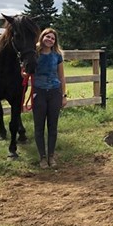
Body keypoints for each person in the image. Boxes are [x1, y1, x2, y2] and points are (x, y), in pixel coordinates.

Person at [33, 28, 67, 169]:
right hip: (39, 92)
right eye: (47, 36)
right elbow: (27, 71)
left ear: (55, 41)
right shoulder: (34, 54)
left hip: (54, 92)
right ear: (42, 37)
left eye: (52, 38)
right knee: (39, 127)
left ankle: (51, 156)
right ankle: (42, 157)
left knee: (53, 127)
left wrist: (63, 95)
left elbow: (61, 76)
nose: (50, 39)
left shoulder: (57, 55)